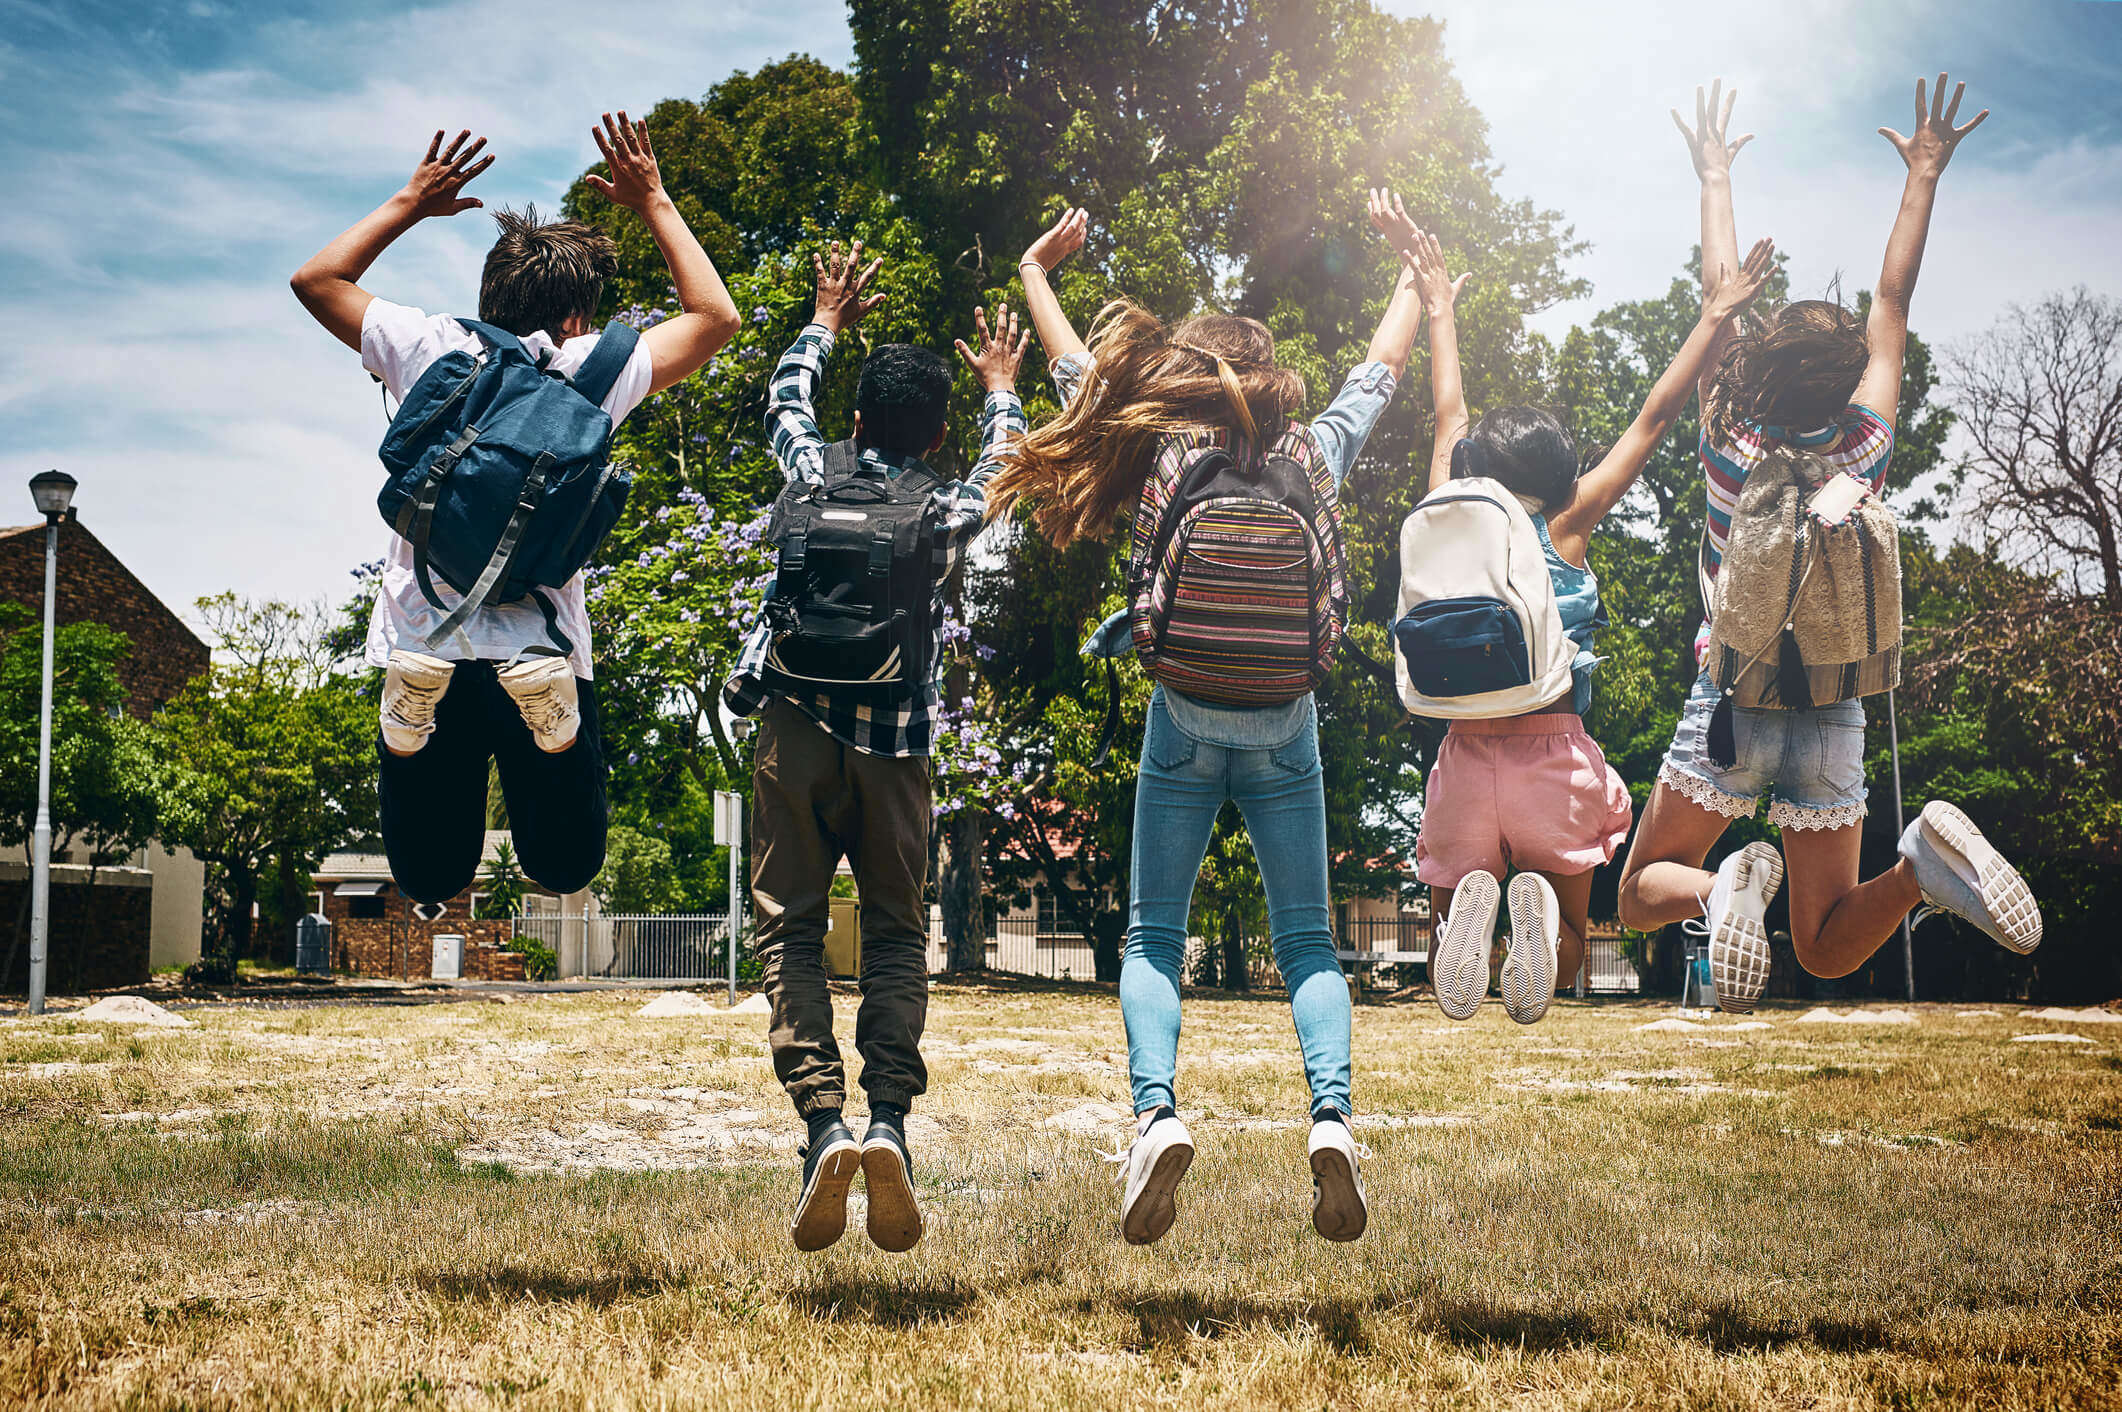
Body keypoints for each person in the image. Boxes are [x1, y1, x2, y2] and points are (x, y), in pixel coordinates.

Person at [994, 200, 1425, 1245]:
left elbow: (1064, 365)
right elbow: (1379, 370)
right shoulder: (1313, 450)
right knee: (1309, 940)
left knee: (1154, 930)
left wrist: (1033, 270)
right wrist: (1415, 266)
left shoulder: (1155, 445)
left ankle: (1155, 1114)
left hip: (1182, 710)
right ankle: (1330, 1120)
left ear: (1187, 371)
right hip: (1285, 715)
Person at [1617, 76, 2040, 1008]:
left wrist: (1715, 174)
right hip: (1836, 704)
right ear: (1849, 379)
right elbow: (1894, 293)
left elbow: (1717, 297)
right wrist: (1924, 172)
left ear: (1758, 373)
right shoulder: (1867, 451)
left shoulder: (1731, 445)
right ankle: (1919, 870)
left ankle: (1721, 885)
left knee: (1643, 893)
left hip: (1733, 699)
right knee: (1823, 946)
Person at [291, 115, 738, 904]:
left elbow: (316, 281)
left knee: (429, 872)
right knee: (563, 863)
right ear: (577, 315)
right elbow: (714, 318)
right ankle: (556, 730)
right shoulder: (597, 366)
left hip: (423, 637)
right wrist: (655, 201)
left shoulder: (432, 347)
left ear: (490, 296)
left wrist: (411, 201)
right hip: (544, 642)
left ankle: (407, 727)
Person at [1375, 198, 1776, 1024]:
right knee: (1556, 964)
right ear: (1561, 472)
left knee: (1459, 931)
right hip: (1550, 755)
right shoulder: (1566, 521)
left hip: (1459, 750)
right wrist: (1710, 318)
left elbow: (1448, 412)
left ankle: (1470, 914)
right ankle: (1533, 911)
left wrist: (1440, 307)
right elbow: (1654, 418)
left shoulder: (1449, 501)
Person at [724, 241, 1031, 1253]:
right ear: (933, 429)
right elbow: (1005, 467)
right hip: (894, 745)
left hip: (793, 733)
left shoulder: (810, 470)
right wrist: (999, 386)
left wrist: (823, 318)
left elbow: (782, 400)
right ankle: (889, 1119)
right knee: (897, 934)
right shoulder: (939, 508)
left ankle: (821, 1124)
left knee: (790, 932)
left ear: (855, 421)